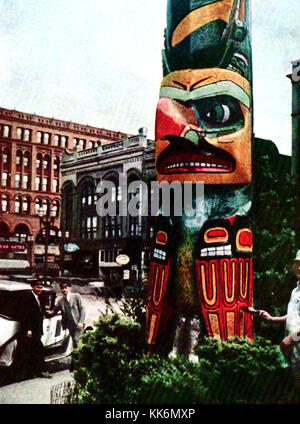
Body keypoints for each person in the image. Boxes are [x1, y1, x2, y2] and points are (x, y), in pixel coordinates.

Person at [259, 250, 300, 387]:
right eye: (297, 264)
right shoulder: (296, 291)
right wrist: (273, 319)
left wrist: (292, 338)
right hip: (296, 348)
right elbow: (294, 315)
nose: (299, 267)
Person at [19, 280, 51, 379]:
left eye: (41, 287)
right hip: (31, 329)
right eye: (37, 287)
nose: (39, 289)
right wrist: (28, 329)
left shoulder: (40, 297)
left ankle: (34, 372)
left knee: (34, 351)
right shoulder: (28, 298)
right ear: (32, 287)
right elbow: (26, 314)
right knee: (37, 349)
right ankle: (41, 370)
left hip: (37, 328)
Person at [52, 282, 86, 367]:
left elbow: (82, 309)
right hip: (70, 325)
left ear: (69, 288)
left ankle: (80, 361)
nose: (64, 290)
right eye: (62, 288)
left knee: (77, 340)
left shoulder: (76, 296)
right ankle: (77, 361)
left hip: (78, 324)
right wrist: (48, 312)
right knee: (74, 342)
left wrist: (81, 322)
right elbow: (54, 311)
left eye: (65, 288)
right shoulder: (60, 301)